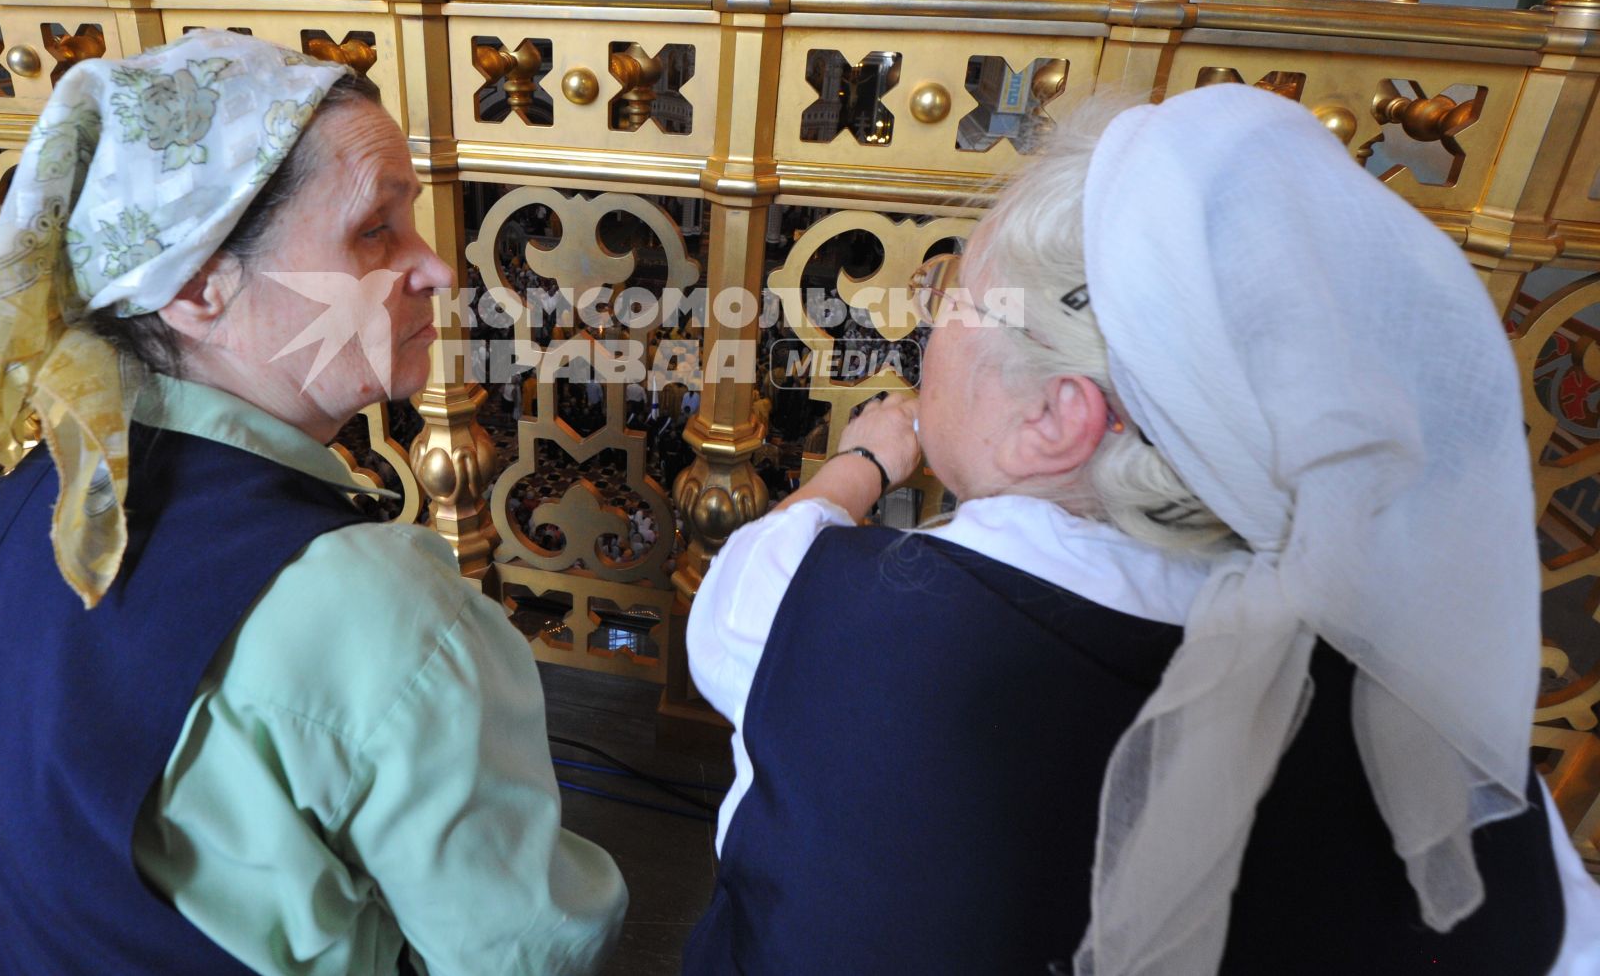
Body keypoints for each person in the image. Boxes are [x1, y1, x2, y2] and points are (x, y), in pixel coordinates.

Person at [682, 84, 1600, 974]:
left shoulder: (820, 603)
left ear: (1057, 416)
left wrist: (868, 460)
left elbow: (742, 583)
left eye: (956, 304)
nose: (930, 331)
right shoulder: (1446, 744)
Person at [0, 30, 626, 975]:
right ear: (199, 282)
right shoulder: (377, 607)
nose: (436, 268)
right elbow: (528, 953)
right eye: (375, 229)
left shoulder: (19, 498)